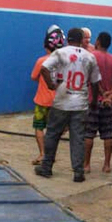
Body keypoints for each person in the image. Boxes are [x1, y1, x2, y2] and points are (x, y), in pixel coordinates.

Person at [35, 28, 101, 183]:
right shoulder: (90, 57)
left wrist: (51, 85)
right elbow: (96, 82)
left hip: (61, 101)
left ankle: (47, 167)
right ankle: (78, 172)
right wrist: (93, 101)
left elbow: (44, 68)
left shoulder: (60, 53)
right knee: (78, 138)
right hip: (80, 104)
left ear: (67, 39)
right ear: (81, 39)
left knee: (52, 134)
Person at [84, 32, 112, 174]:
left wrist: (100, 93)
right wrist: (110, 95)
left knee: (89, 135)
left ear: (98, 42)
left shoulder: (91, 57)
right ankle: (106, 165)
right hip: (108, 104)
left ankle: (86, 165)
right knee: (108, 134)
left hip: (93, 102)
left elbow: (92, 78)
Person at [30, 26, 65, 165]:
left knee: (39, 127)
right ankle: (51, 154)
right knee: (54, 130)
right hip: (57, 101)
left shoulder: (41, 61)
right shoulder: (63, 61)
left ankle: (43, 154)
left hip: (41, 101)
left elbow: (33, 77)